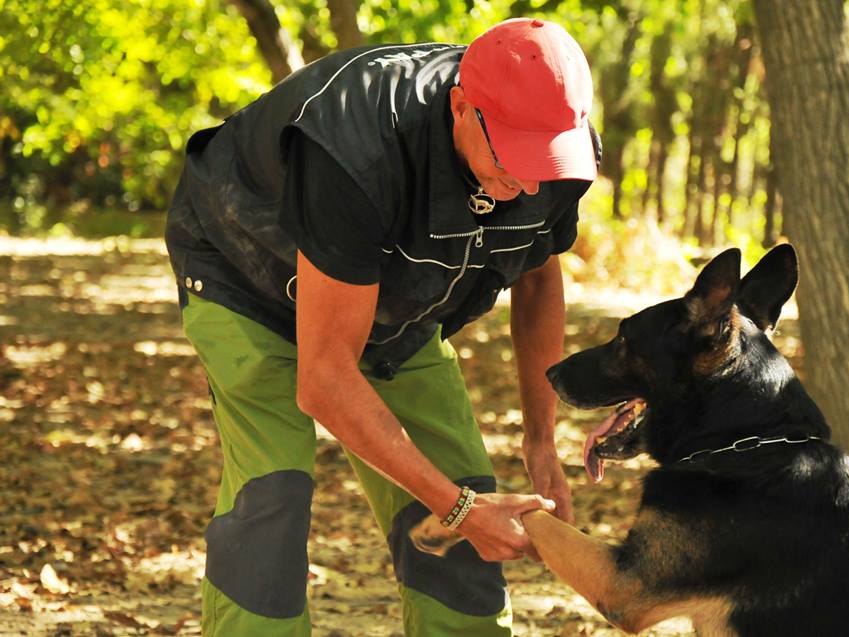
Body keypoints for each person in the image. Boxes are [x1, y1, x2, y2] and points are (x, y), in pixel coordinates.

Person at [165, 16, 600, 637]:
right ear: (461, 108)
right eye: (514, 157)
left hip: (393, 303)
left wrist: (540, 438)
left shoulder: (558, 144)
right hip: (247, 275)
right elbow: (324, 378)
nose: (530, 182)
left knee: (463, 495)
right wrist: (459, 510)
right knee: (275, 496)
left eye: (545, 161)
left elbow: (536, 273)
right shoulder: (355, 143)